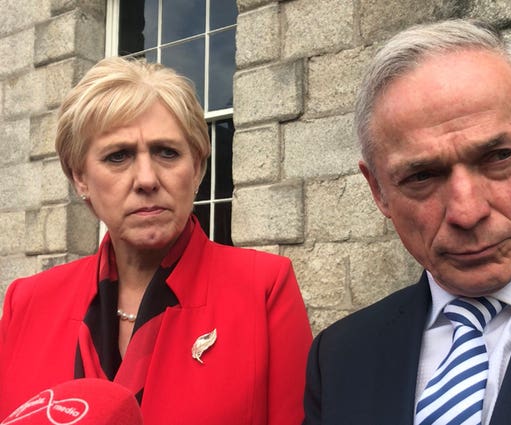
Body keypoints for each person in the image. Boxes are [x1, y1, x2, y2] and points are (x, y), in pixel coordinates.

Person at [303, 19, 511, 425]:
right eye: (422, 176)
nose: (467, 212)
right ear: (378, 190)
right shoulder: (340, 356)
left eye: (498, 157)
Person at [0, 57, 312, 425]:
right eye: (119, 156)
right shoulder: (29, 302)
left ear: (196, 167)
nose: (146, 178)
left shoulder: (262, 288)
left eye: (167, 152)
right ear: (80, 177)